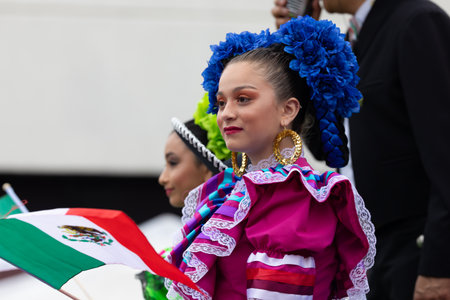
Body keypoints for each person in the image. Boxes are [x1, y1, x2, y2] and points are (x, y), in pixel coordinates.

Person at [165, 16, 376, 300]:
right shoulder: (228, 189)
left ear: (287, 110)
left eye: (243, 99)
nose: (225, 113)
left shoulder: (299, 199)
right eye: (221, 102)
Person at [272, 0, 450, 299]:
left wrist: (440, 267)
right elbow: (330, 147)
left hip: (416, 249)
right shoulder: (358, 34)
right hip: (372, 249)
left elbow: (445, 155)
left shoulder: (417, 20)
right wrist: (305, 40)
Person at [140, 98, 231, 300]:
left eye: (173, 163)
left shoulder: (223, 239)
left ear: (208, 168)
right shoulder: (186, 243)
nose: (162, 178)